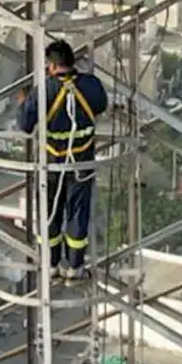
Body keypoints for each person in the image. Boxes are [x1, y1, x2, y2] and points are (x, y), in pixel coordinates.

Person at [17, 39, 109, 282]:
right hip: (81, 164)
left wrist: (24, 103)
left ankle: (51, 264)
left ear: (51, 66)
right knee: (77, 214)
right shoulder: (91, 86)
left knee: (49, 214)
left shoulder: (43, 91)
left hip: (52, 165)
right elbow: (101, 105)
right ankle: (75, 267)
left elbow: (25, 126)